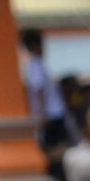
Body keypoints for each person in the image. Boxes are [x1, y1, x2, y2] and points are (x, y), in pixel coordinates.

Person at [20, 30, 70, 158]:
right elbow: (39, 90)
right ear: (35, 46)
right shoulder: (36, 64)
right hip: (51, 115)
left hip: (50, 114)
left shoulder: (36, 64)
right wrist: (42, 115)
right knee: (57, 151)